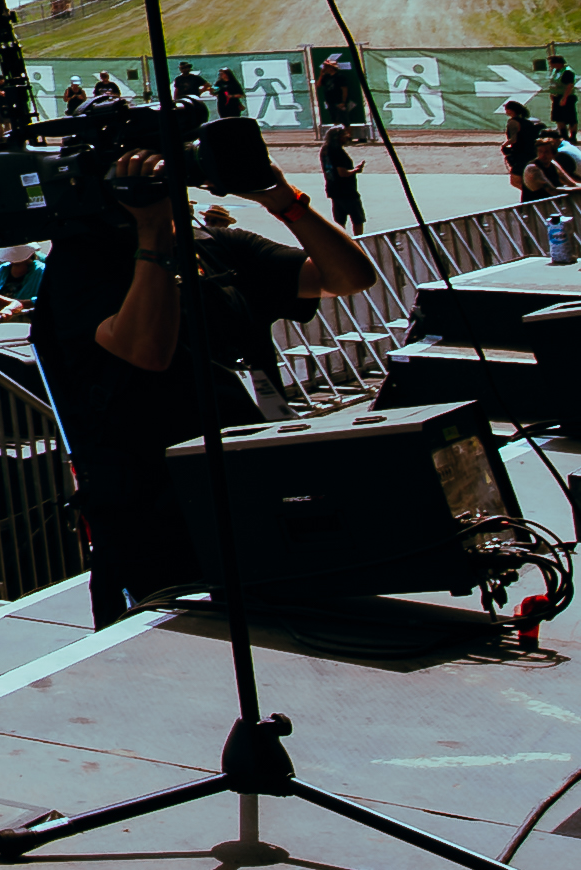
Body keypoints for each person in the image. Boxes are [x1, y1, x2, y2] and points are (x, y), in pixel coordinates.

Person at [33, 104, 374, 618]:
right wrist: (152, 234)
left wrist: (281, 198)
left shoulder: (217, 245)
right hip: (154, 517)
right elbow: (146, 351)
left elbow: (349, 278)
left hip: (250, 491)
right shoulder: (83, 263)